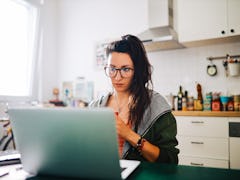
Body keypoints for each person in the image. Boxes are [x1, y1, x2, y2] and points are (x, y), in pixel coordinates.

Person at [89, 34, 179, 164]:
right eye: (112, 69)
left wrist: (129, 134)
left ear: (138, 70)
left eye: (126, 69)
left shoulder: (156, 106)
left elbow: (170, 161)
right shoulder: (95, 106)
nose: (117, 77)